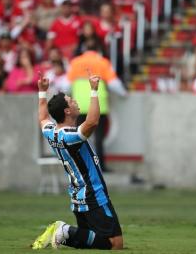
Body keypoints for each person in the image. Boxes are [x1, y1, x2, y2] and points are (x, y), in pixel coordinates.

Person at [31, 71, 123, 250]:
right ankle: (63, 231)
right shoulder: (70, 136)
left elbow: (43, 117)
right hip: (93, 195)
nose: (75, 101)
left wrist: (42, 92)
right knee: (115, 244)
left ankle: (65, 234)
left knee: (91, 241)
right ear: (67, 111)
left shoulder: (51, 131)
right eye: (71, 101)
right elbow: (92, 122)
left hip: (78, 195)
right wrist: (94, 91)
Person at [67, 39, 127, 172]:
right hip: (98, 105)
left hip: (79, 105)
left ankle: (79, 166)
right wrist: (124, 93)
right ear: (98, 50)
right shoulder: (103, 62)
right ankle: (101, 167)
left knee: (79, 138)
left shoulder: (76, 62)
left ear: (83, 49)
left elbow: (65, 84)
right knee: (99, 138)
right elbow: (114, 83)